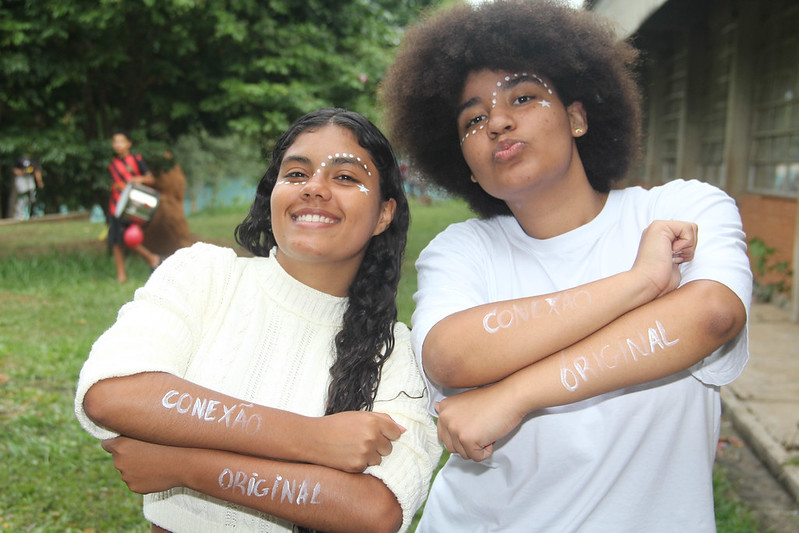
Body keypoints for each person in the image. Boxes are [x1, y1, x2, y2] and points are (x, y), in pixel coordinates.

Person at [378, 1, 752, 531]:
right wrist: (640, 283)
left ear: (577, 117)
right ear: (466, 166)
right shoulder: (460, 250)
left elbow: (711, 316)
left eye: (523, 97)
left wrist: (515, 394)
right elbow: (451, 356)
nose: (498, 122)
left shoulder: (681, 207)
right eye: (473, 119)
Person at [74, 108, 441, 533]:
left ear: (384, 214)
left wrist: (185, 466)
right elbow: (113, 393)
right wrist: (312, 440)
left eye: (345, 177)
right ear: (272, 195)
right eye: (297, 174)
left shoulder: (394, 353)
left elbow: (374, 511)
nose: (315, 189)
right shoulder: (204, 275)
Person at [107, 130, 161, 282]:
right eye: (115, 142)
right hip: (116, 206)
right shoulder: (112, 164)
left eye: (121, 141)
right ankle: (121, 276)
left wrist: (139, 179)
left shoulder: (136, 159)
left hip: (133, 206)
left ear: (129, 144)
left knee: (128, 238)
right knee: (115, 241)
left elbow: (151, 179)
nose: (118, 145)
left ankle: (151, 257)